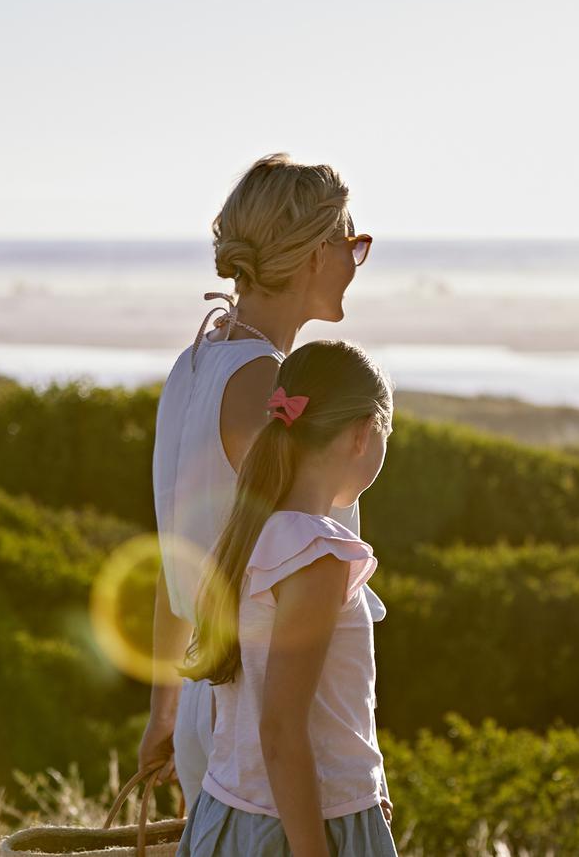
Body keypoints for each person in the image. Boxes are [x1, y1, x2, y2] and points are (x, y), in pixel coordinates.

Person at [141, 154, 378, 803]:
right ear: (311, 255)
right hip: (263, 725)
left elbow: (177, 564)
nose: (354, 264)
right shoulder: (272, 389)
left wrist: (163, 714)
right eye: (350, 244)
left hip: (203, 705)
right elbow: (304, 591)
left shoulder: (191, 368)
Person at [179, 340, 398, 857]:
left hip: (227, 813)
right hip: (298, 830)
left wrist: (361, 783)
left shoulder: (250, 534)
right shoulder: (317, 553)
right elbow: (280, 729)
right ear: (364, 433)